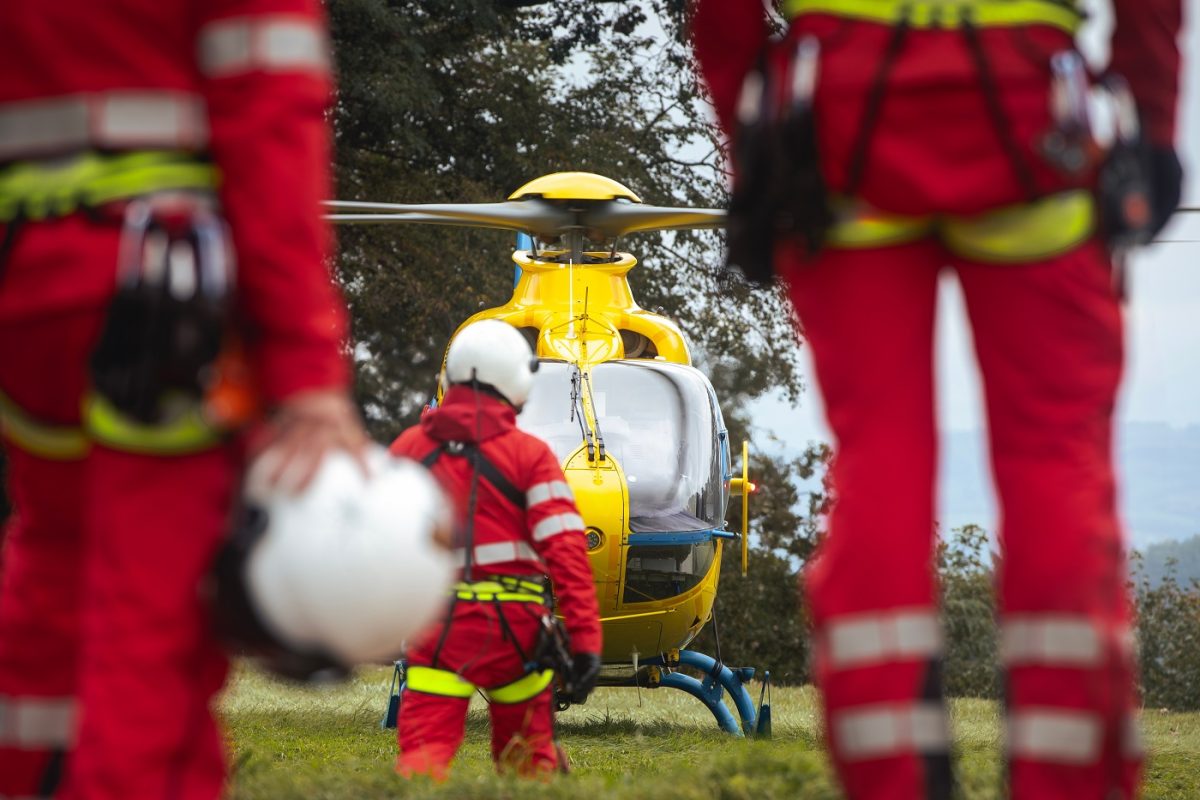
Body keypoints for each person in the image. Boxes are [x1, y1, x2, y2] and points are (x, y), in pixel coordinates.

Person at [691, 1, 1182, 798]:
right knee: (1055, 464)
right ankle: (1070, 776)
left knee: (879, 462)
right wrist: (1152, 123)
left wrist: (750, 139)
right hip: (1034, 126)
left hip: (842, 133)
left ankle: (892, 775)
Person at [0, 2, 366, 798]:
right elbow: (272, 120)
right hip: (157, 305)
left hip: (27, 291)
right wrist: (306, 373)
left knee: (53, 572)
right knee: (155, 615)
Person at [390, 319, 602, 779]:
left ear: (452, 378)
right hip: (517, 631)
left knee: (422, 758)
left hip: (438, 626)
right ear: (515, 380)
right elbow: (567, 555)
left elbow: (378, 543)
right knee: (530, 761)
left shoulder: (409, 449)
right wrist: (585, 642)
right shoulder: (531, 456)